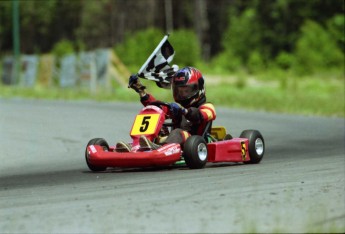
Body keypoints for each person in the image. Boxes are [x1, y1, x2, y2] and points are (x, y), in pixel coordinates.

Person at [115, 66, 216, 152]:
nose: (182, 94)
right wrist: (141, 92)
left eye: (186, 91)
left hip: (195, 142)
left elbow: (200, 115)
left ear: (199, 89)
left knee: (177, 133)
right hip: (175, 141)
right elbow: (157, 107)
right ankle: (136, 146)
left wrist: (184, 111)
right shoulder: (178, 108)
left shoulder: (207, 107)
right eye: (179, 91)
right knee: (158, 123)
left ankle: (159, 149)